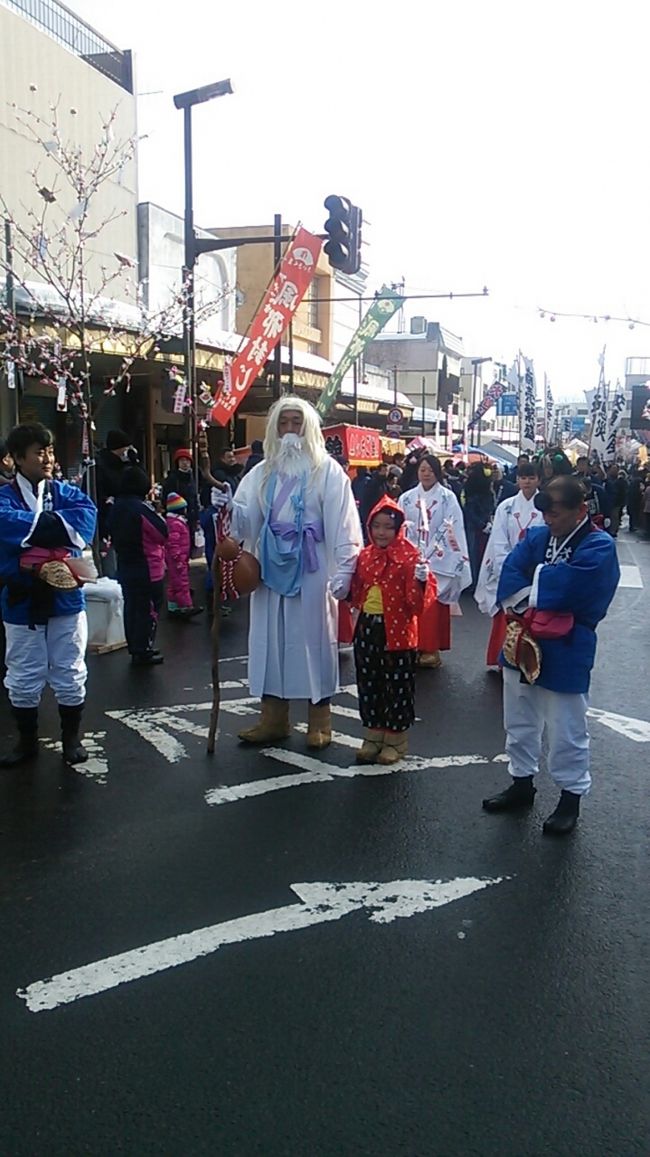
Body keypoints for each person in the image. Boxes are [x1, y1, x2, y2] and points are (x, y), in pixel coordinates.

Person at [482, 476, 620, 834]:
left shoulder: (599, 546)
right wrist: (542, 592)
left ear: (581, 510)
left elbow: (579, 588)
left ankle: (570, 797)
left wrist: (538, 581)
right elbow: (511, 570)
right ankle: (521, 782)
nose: (548, 521)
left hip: (568, 646)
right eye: (545, 514)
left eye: (556, 514)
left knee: (566, 728)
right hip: (523, 639)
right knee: (519, 718)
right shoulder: (541, 536)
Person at [231, 396, 362, 749]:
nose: (290, 430)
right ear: (275, 428)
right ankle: (273, 717)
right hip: (270, 568)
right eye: (284, 423)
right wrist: (230, 510)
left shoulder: (328, 471)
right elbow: (245, 523)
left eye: (296, 423)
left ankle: (320, 719)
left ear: (309, 428)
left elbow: (345, 526)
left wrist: (344, 571)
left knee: (314, 641)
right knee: (270, 641)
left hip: (313, 569)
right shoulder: (260, 473)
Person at [0, 422, 97, 765]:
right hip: (22, 597)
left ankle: (71, 739)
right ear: (15, 458)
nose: (48, 458)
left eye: (50, 451)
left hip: (66, 596)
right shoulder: (3, 498)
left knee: (70, 668)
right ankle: (27, 743)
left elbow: (87, 519)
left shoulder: (66, 492)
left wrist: (31, 538)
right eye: (39, 452)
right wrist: (47, 545)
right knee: (24, 673)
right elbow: (3, 531)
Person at [348, 497, 435, 765]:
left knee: (396, 685)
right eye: (376, 526)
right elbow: (355, 593)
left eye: (387, 527)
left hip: (398, 632)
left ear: (398, 528)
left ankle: (396, 740)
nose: (381, 532)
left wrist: (421, 581)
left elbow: (417, 606)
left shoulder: (411, 557)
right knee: (369, 681)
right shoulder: (364, 556)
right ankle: (373, 734)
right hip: (367, 627)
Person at [398, 454, 471, 668]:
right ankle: (410, 644)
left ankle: (430, 648)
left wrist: (430, 552)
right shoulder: (407, 498)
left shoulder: (448, 497)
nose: (426, 474)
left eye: (430, 470)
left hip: (438, 558)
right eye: (422, 470)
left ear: (437, 472)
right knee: (409, 602)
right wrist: (411, 550)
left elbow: (452, 526)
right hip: (412, 555)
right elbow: (401, 524)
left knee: (432, 604)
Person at [475, 463, 541, 668]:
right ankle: (503, 658)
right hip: (509, 567)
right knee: (506, 613)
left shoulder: (545, 505)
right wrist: (508, 565)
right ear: (517, 480)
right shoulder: (507, 506)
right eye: (523, 477)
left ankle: (528, 660)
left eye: (531, 477)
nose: (527, 482)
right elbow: (498, 538)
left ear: (539, 479)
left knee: (533, 615)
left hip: (534, 570)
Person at [110, 467, 168, 666]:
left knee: (132, 608)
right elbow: (162, 533)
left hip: (125, 565)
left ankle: (135, 646)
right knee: (148, 610)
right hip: (147, 568)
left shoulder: (116, 507)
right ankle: (143, 649)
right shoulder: (140, 508)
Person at [165, 492, 202, 619]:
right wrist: (178, 558)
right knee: (182, 583)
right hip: (178, 559)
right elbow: (173, 543)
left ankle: (172, 606)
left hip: (178, 558)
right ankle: (186, 606)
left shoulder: (173, 522)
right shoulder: (176, 524)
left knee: (174, 582)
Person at [461, 463, 495, 589]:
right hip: (481, 527)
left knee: (474, 554)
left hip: (475, 526)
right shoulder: (486, 491)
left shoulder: (469, 489)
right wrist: (485, 523)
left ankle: (473, 582)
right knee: (479, 555)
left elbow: (468, 510)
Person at [162, 449, 199, 535]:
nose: (185, 463)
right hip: (177, 518)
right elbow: (166, 498)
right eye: (182, 460)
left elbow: (194, 497)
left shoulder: (193, 477)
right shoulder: (172, 479)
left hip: (191, 517)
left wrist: (196, 516)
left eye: (187, 460)